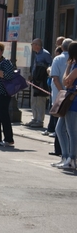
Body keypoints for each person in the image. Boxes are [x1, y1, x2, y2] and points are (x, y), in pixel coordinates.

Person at [52, 41, 77, 169]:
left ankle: (72, 159)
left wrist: (68, 69)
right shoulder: (73, 65)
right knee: (59, 129)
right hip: (70, 100)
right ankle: (65, 157)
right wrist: (68, 66)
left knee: (72, 132)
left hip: (74, 101)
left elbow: (66, 81)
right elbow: (65, 81)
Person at [47, 41, 71, 157]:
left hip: (60, 96)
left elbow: (55, 78)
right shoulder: (71, 60)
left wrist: (62, 92)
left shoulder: (58, 59)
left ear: (62, 47)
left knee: (60, 126)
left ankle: (61, 150)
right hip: (69, 95)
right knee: (66, 126)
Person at [26, 38, 52, 128]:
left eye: (32, 44)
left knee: (40, 101)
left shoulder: (45, 54)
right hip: (35, 80)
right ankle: (34, 118)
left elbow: (50, 66)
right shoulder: (36, 54)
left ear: (37, 45)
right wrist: (31, 75)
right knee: (34, 100)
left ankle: (40, 120)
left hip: (41, 81)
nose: (32, 46)